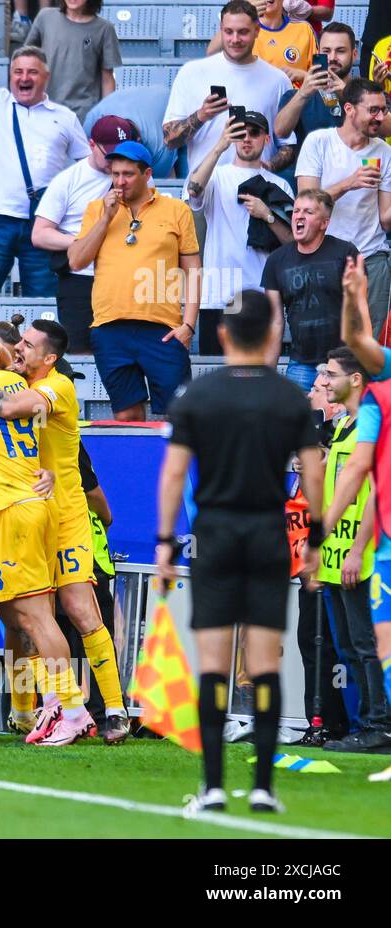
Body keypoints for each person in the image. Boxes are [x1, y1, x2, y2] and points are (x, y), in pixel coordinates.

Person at [158, 289, 322, 815]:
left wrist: (165, 542)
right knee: (264, 661)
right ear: (273, 334)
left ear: (223, 335)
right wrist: (315, 539)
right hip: (269, 534)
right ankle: (264, 788)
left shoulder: (197, 396)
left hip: (217, 535)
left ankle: (212, 787)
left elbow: (174, 473)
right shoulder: (290, 398)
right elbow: (313, 469)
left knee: (212, 665)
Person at [0, 317, 133, 743]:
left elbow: (10, 408)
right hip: (38, 503)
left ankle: (112, 710)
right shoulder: (14, 377)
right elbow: (2, 364)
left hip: (64, 515)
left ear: (51, 358)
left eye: (30, 346)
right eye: (20, 343)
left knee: (79, 613)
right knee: (26, 616)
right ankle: (48, 707)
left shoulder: (56, 387)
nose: (21, 350)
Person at [0, 4, 89, 324]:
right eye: (18, 72)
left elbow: (87, 166)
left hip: (44, 224)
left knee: (43, 306)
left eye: (32, 72)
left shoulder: (64, 118)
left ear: (46, 77)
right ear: (10, 76)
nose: (24, 78)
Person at [69, 141, 201, 421]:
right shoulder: (96, 209)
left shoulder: (177, 210)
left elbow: (193, 270)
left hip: (162, 328)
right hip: (109, 327)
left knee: (178, 416)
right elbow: (76, 261)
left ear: (147, 173)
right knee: (126, 414)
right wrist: (106, 218)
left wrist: (188, 325)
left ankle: (174, 467)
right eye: (115, 174)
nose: (119, 182)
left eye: (127, 174)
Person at [323, 255, 391, 781]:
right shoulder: (375, 397)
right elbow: (361, 473)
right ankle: (377, 725)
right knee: (372, 646)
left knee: (373, 645)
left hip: (372, 545)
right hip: (381, 542)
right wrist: (353, 298)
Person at [314, 348, 390, 753]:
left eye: (330, 374)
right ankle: (366, 724)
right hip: (334, 556)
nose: (324, 381)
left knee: (368, 646)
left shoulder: (371, 427)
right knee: (349, 647)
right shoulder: (344, 425)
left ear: (356, 380)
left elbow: (377, 495)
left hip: (359, 555)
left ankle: (381, 725)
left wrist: (358, 550)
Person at [187, 111, 295, 355]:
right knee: (216, 378)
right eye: (240, 133)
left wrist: (267, 215)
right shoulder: (217, 176)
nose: (247, 138)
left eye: (254, 133)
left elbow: (293, 244)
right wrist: (219, 145)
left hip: (261, 296)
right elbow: (193, 191)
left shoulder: (281, 185)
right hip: (218, 294)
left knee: (256, 379)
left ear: (266, 139)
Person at [32, 115, 139, 353]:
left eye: (120, 153)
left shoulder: (136, 179)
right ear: (92, 145)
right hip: (81, 278)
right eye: (108, 153)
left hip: (123, 277)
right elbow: (39, 234)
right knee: (80, 350)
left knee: (123, 352)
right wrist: (85, 242)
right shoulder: (69, 179)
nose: (114, 160)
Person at [295, 78, 391, 340]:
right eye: (373, 110)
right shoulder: (319, 142)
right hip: (324, 257)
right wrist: (350, 183)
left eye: (383, 110)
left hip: (370, 258)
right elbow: (305, 205)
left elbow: (386, 219)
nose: (380, 117)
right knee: (323, 344)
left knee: (369, 347)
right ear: (349, 109)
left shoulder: (384, 151)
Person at [162, 1, 298, 180]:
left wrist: (269, 166)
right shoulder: (191, 72)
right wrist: (202, 115)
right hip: (203, 191)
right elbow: (170, 140)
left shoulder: (278, 80)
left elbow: (288, 145)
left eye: (243, 32)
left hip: (258, 191)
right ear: (221, 30)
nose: (235, 39)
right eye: (228, 32)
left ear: (257, 30)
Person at [262, 189, 359, 389]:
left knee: (343, 419)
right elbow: (275, 323)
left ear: (324, 223)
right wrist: (267, 377)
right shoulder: (275, 261)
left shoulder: (346, 252)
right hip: (301, 363)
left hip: (342, 362)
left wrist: (354, 362)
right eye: (296, 211)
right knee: (299, 419)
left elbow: (358, 312)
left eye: (308, 212)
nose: (299, 215)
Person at [24, 0, 121, 124]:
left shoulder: (105, 29)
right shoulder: (45, 17)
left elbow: (107, 79)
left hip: (83, 116)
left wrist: (107, 117)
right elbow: (25, 60)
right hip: (45, 110)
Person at [274, 22, 358, 156]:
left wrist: (350, 96)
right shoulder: (299, 95)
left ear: (354, 55)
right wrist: (302, 94)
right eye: (326, 51)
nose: (332, 58)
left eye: (340, 51)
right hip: (312, 175)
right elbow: (280, 131)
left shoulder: (367, 92)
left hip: (357, 173)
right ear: (318, 53)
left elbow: (387, 128)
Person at [208, 0, 314, 85]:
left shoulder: (304, 29)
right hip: (251, 105)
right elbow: (211, 52)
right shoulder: (242, 30)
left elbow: (322, 81)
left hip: (294, 105)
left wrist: (303, 75)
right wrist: (243, 15)